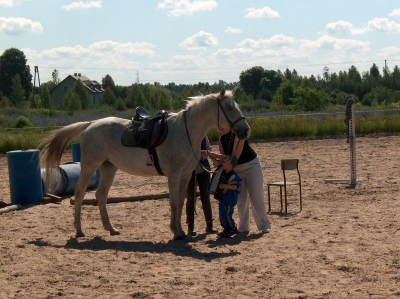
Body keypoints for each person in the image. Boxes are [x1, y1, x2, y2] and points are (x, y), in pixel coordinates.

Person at [211, 127, 271, 234]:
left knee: (255, 196)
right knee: (241, 199)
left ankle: (264, 224)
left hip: (252, 165)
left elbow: (234, 158)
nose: (221, 127)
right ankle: (244, 226)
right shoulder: (221, 140)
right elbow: (224, 159)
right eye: (219, 126)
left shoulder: (238, 136)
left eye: (224, 125)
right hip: (237, 169)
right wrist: (210, 156)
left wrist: (216, 158)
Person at [186, 136, 218, 236]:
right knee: (191, 199)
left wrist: (201, 157)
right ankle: (190, 227)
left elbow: (208, 149)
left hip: (203, 170)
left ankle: (209, 225)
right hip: (189, 171)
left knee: (206, 197)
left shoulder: (203, 135)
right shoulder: (186, 134)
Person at [207, 153, 241, 238]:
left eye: (225, 161)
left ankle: (231, 228)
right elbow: (216, 162)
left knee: (227, 214)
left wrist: (225, 186)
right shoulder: (222, 170)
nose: (222, 162)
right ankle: (226, 229)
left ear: (230, 165)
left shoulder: (233, 175)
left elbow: (236, 187)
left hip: (229, 199)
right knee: (222, 215)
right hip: (222, 198)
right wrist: (209, 155)